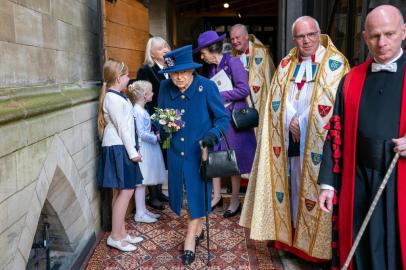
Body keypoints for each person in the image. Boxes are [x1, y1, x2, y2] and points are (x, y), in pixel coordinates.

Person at [239, 16, 349, 262]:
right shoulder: (287, 63)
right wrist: (290, 120)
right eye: (300, 36)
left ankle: (314, 249)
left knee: (313, 187)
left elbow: (336, 103)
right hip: (290, 138)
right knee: (292, 186)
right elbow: (276, 99)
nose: (306, 40)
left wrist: (304, 120)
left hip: (319, 142)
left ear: (319, 33)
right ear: (294, 38)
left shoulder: (335, 63)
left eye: (311, 34)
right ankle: (290, 240)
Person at [318, 5, 406, 270]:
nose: (382, 43)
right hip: (357, 180)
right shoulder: (351, 79)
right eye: (375, 35)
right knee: (362, 251)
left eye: (389, 34)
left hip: (398, 180)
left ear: (403, 32)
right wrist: (327, 184)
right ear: (365, 37)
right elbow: (335, 134)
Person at [158, 45, 229, 265]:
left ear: (191, 70)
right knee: (182, 198)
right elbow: (161, 116)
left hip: (200, 152)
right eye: (174, 73)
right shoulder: (163, 87)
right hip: (175, 153)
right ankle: (198, 228)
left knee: (198, 196)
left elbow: (222, 119)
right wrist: (164, 131)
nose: (178, 77)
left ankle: (190, 238)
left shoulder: (206, 87)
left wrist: (212, 135)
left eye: (183, 72)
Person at [193, 30, 256, 218]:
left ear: (211, 49)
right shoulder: (212, 68)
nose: (202, 57)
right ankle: (217, 196)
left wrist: (218, 96)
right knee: (215, 155)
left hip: (234, 119)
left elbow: (243, 90)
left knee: (233, 160)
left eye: (203, 53)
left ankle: (235, 199)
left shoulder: (233, 63)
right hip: (219, 119)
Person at [97, 60, 144, 251]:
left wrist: (133, 147)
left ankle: (122, 232)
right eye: (126, 75)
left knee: (123, 191)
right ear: (118, 78)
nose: (129, 78)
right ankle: (115, 237)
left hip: (122, 146)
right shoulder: (113, 99)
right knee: (126, 191)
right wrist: (133, 153)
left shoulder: (118, 96)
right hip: (119, 147)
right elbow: (123, 128)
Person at [134, 36, 171, 210]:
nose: (164, 50)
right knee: (154, 154)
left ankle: (159, 190)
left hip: (171, 117)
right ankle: (153, 195)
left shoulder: (171, 67)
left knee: (163, 155)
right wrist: (151, 118)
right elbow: (143, 95)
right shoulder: (146, 69)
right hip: (154, 117)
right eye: (159, 48)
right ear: (152, 53)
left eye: (165, 46)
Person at [128, 80, 167, 223]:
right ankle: (139, 212)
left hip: (148, 147)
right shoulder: (138, 111)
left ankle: (143, 209)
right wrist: (156, 137)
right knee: (141, 182)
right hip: (144, 148)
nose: (153, 93)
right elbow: (142, 133)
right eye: (151, 91)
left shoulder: (142, 110)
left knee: (143, 182)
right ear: (145, 95)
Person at [229, 24, 275, 133]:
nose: (234, 41)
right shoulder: (231, 55)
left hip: (259, 103)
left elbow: (269, 80)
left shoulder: (262, 53)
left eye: (237, 38)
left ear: (246, 36)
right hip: (239, 105)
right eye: (232, 39)